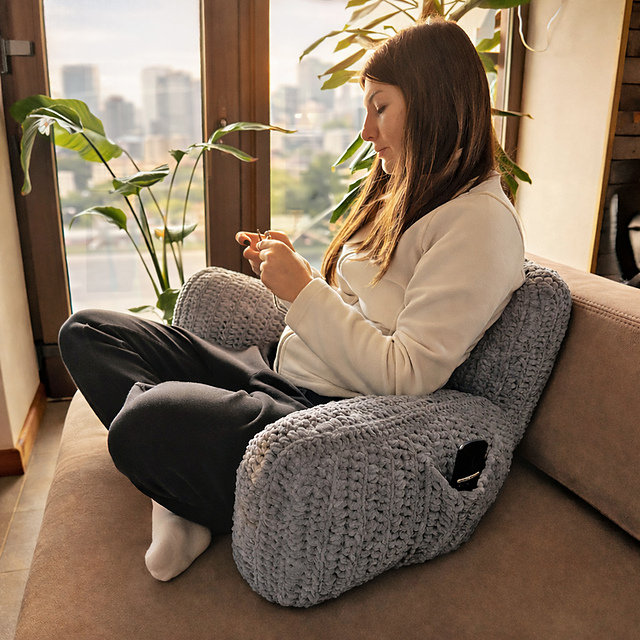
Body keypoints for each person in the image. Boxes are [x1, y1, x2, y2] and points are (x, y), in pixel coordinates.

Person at [58, 17, 524, 584]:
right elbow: (356, 304)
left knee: (144, 421)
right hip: (278, 372)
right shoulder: (416, 192)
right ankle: (184, 487)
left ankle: (183, 489)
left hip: (318, 417)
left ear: (435, 104)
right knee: (87, 333)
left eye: (380, 108)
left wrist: (302, 290)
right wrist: (298, 273)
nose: (367, 132)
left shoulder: (480, 226)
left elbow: (409, 374)